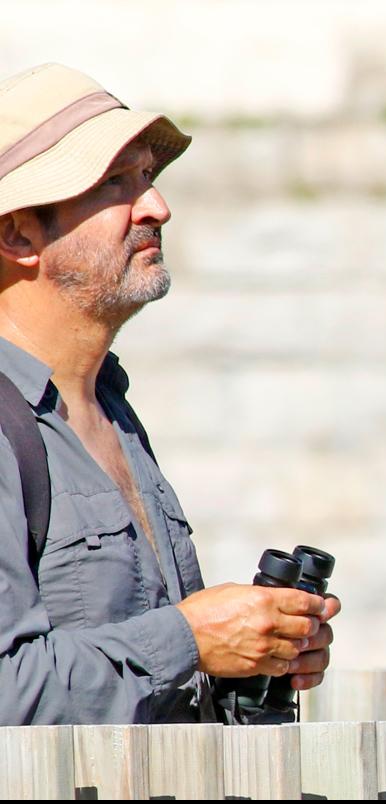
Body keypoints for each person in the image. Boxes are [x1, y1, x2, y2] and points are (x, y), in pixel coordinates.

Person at [0, 62, 340, 725]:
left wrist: (251, 656)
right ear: (18, 234)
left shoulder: (112, 412)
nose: (156, 206)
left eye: (147, 176)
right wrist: (189, 639)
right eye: (115, 183)